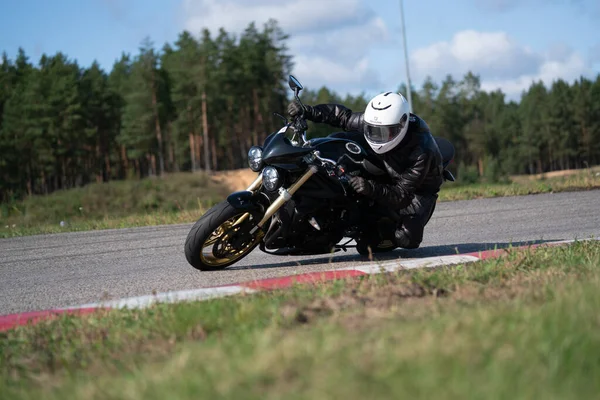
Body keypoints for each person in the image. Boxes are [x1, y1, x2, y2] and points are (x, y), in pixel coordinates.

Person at [288, 91, 443, 250]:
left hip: (415, 192)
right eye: (372, 130)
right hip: (386, 167)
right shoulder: (377, 120)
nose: (376, 136)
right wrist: (308, 111)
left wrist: (370, 188)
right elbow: (342, 116)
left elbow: (401, 195)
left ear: (402, 124)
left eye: (383, 132)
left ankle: (381, 232)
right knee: (342, 143)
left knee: (405, 237)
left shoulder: (421, 152)